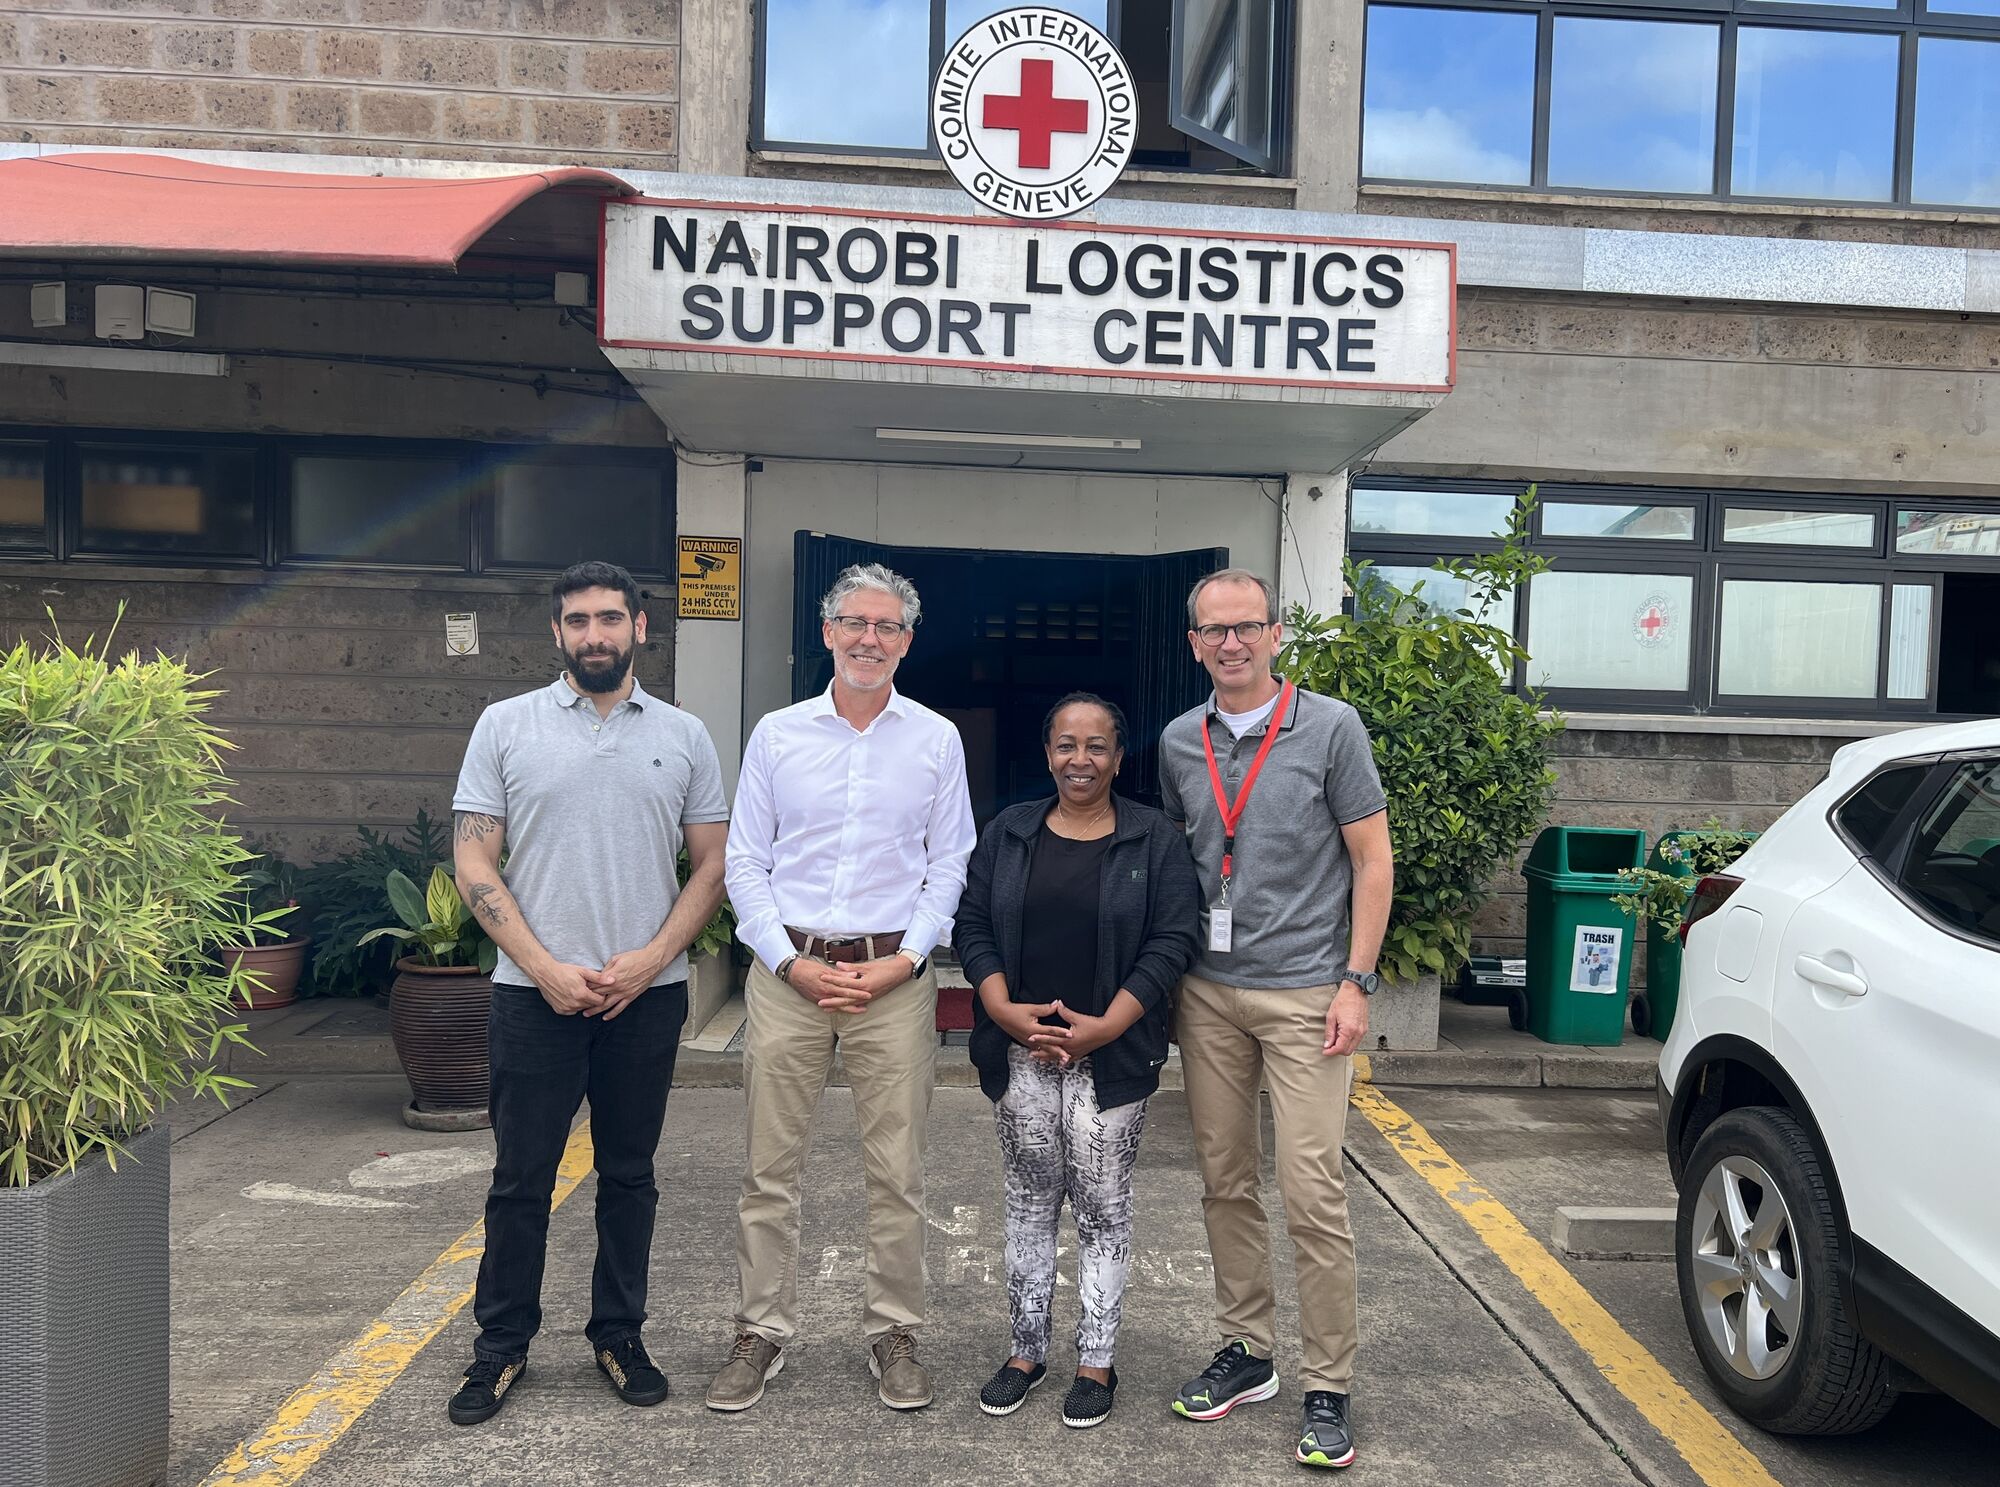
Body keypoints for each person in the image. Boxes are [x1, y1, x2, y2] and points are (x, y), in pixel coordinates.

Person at [445, 560, 730, 1426]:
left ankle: (618, 1333)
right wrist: (543, 965)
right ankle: (501, 1347)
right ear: (557, 633)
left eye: (611, 618)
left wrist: (649, 960)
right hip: (533, 996)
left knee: (630, 1175)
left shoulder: (684, 734)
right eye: (579, 621)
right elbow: (472, 860)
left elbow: (712, 864)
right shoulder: (505, 725)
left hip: (646, 995)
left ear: (642, 627)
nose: (595, 634)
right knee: (520, 1177)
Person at [709, 562, 975, 1414]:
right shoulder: (778, 735)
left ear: (906, 640)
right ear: (827, 632)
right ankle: (761, 1331)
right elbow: (744, 860)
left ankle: (893, 1331)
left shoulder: (935, 739)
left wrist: (905, 961)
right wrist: (788, 959)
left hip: (894, 980)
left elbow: (950, 861)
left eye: (888, 626)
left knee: (896, 1171)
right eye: (855, 623)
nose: (870, 638)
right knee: (768, 1167)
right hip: (789, 977)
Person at [1157, 567, 1394, 1471]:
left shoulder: (1330, 728)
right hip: (1210, 993)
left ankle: (1327, 1381)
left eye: (1247, 626)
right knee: (1224, 1179)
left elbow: (1372, 860)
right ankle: (1248, 1351)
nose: (1231, 643)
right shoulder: (1183, 739)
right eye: (1214, 630)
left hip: (1304, 994)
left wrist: (1356, 981)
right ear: (1194, 643)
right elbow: (1189, 859)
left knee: (1312, 1190)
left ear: (1275, 633)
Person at [954, 692, 1201, 1429]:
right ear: (1048, 751)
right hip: (1022, 1051)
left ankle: (1097, 1361)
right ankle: (1026, 1350)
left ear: (1119, 757)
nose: (1080, 759)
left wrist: (1107, 1025)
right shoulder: (1012, 832)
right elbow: (971, 922)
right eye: (1067, 744)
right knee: (1030, 1202)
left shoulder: (1153, 839)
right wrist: (1000, 1007)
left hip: (1112, 1054)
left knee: (1101, 1209)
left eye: (1097, 746)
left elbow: (1172, 939)